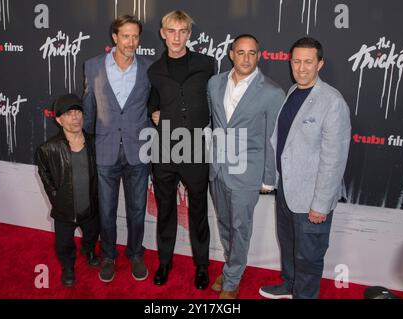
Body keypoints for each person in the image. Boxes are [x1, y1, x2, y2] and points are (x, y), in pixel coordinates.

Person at [259, 37, 351, 299]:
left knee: (309, 256)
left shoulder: (332, 102)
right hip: (287, 192)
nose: (301, 68)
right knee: (288, 246)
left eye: (308, 62)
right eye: (296, 61)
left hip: (312, 199)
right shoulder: (293, 91)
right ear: (290, 62)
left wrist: (321, 204)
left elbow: (334, 160)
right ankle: (289, 285)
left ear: (319, 64)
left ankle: (304, 295)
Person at [207, 34, 285, 299]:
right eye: (241, 52)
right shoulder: (215, 83)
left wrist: (268, 178)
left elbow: (272, 139)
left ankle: (232, 280)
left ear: (259, 55)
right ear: (231, 54)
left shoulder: (272, 92)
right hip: (217, 169)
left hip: (247, 172)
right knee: (225, 224)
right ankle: (232, 266)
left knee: (241, 228)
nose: (246, 58)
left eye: (252, 53)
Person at [147, 10, 215, 289]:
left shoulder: (208, 64)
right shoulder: (154, 70)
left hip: (196, 148)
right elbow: (152, 100)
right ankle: (165, 262)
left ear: (189, 34)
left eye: (182, 31)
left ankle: (201, 266)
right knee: (165, 210)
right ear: (163, 33)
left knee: (199, 211)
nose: (176, 37)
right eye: (171, 31)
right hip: (164, 149)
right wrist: (153, 111)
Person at [82, 15, 152, 282]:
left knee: (137, 210)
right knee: (107, 210)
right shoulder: (92, 66)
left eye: (135, 36)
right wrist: (86, 143)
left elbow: (153, 106)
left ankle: (135, 254)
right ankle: (109, 256)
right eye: (126, 36)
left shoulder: (149, 68)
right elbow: (88, 108)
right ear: (114, 37)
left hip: (138, 151)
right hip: (105, 150)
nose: (131, 42)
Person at [36, 93, 100, 288]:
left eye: (78, 112)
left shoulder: (95, 142)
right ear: (58, 119)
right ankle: (68, 267)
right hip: (64, 210)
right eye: (69, 113)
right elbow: (45, 176)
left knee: (92, 234)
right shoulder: (48, 149)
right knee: (64, 244)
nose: (75, 117)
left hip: (91, 205)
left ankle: (88, 250)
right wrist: (57, 198)